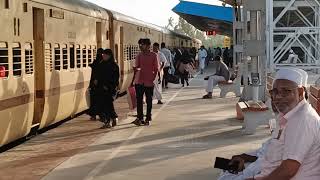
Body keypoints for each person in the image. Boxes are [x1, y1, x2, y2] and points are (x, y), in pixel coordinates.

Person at [251, 68, 320, 180]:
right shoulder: (289, 114)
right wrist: (247, 157)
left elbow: (288, 170)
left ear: (300, 92)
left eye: (285, 91)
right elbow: (275, 151)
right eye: (275, 92)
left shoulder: (302, 120)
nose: (277, 97)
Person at [131, 38, 159, 126]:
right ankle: (140, 118)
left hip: (149, 82)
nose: (140, 46)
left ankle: (148, 118)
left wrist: (152, 78)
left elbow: (156, 68)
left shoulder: (154, 55)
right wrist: (135, 71)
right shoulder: (139, 55)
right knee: (139, 100)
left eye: (142, 44)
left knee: (149, 100)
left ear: (148, 45)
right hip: (139, 81)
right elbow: (137, 67)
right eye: (140, 44)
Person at [95, 49, 120, 128]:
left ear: (109, 55)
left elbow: (116, 78)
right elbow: (98, 74)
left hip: (110, 88)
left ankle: (110, 119)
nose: (103, 56)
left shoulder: (114, 66)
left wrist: (109, 86)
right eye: (103, 55)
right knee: (105, 105)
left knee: (107, 104)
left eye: (105, 55)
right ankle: (111, 119)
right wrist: (96, 80)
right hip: (101, 88)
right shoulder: (102, 64)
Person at [88, 48, 104, 120]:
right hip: (100, 85)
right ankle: (101, 115)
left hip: (94, 85)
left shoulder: (95, 62)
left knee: (93, 100)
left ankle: (93, 115)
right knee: (101, 101)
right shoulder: (103, 63)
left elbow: (93, 73)